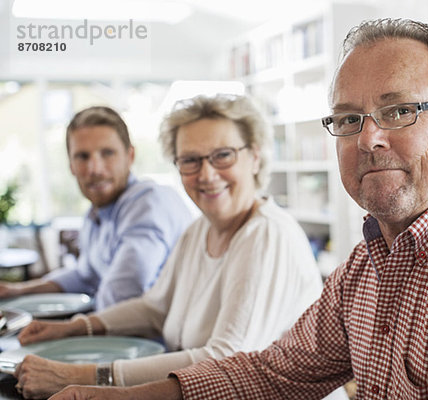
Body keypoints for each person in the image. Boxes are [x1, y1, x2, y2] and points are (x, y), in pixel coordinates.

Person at [50, 18, 428, 400]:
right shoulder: (370, 263)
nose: (369, 139)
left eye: (399, 111)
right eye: (348, 119)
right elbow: (274, 376)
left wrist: (104, 378)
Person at [14, 94, 328, 400]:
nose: (206, 174)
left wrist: (84, 377)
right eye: (190, 160)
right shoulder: (200, 229)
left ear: (255, 157)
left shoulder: (267, 233)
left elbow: (226, 360)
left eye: (223, 155)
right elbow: (154, 308)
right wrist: (73, 328)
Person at [0, 106, 191, 310]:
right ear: (71, 166)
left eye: (107, 153)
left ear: (130, 156)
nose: (94, 169)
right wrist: (16, 291)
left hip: (165, 340)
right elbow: (84, 276)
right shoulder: (95, 215)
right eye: (82, 156)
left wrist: (71, 328)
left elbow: (125, 291)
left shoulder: (149, 202)